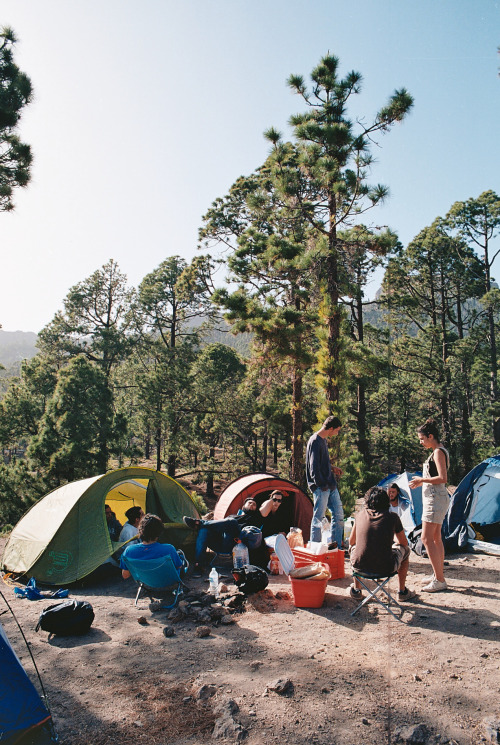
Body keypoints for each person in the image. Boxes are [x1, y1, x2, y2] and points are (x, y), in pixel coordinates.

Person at [349, 486, 415, 602]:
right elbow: (404, 543)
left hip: (360, 566)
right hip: (386, 568)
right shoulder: (393, 517)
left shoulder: (359, 516)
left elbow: (351, 541)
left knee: (353, 547)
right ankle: (402, 591)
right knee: (406, 551)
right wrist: (391, 537)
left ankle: (356, 590)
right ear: (386, 501)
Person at [408, 419, 450, 593]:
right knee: (436, 538)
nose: (420, 442)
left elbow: (443, 478)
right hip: (436, 497)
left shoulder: (439, 452)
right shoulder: (437, 451)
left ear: (431, 436)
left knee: (426, 538)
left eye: (422, 439)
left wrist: (421, 480)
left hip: (435, 498)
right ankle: (437, 574)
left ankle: (439, 580)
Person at [183, 498, 264, 577]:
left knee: (232, 522)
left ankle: (200, 523)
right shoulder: (232, 516)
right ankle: (198, 565)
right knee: (204, 530)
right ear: (243, 507)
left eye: (254, 505)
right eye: (250, 503)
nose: (252, 505)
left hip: (234, 545)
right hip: (220, 542)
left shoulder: (254, 518)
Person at [306, 415, 344, 549]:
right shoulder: (315, 441)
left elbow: (323, 462)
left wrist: (333, 468)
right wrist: (321, 485)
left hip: (330, 484)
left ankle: (336, 547)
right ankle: (315, 548)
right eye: (337, 430)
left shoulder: (323, 440)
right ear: (331, 428)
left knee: (338, 515)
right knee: (318, 518)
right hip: (322, 487)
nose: (337, 433)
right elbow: (313, 467)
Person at [120, 513, 183, 579]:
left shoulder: (129, 551)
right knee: (180, 556)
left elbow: (125, 575)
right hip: (168, 583)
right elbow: (178, 567)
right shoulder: (169, 549)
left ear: (140, 530)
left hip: (146, 584)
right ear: (159, 531)